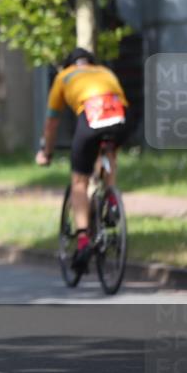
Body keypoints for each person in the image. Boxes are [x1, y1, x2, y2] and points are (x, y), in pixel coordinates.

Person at [36, 48, 130, 272]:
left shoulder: (64, 76)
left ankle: (82, 241)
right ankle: (112, 199)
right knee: (108, 152)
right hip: (121, 117)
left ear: (69, 65)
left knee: (79, 181)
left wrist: (46, 152)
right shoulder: (104, 71)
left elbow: (51, 123)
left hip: (90, 117)